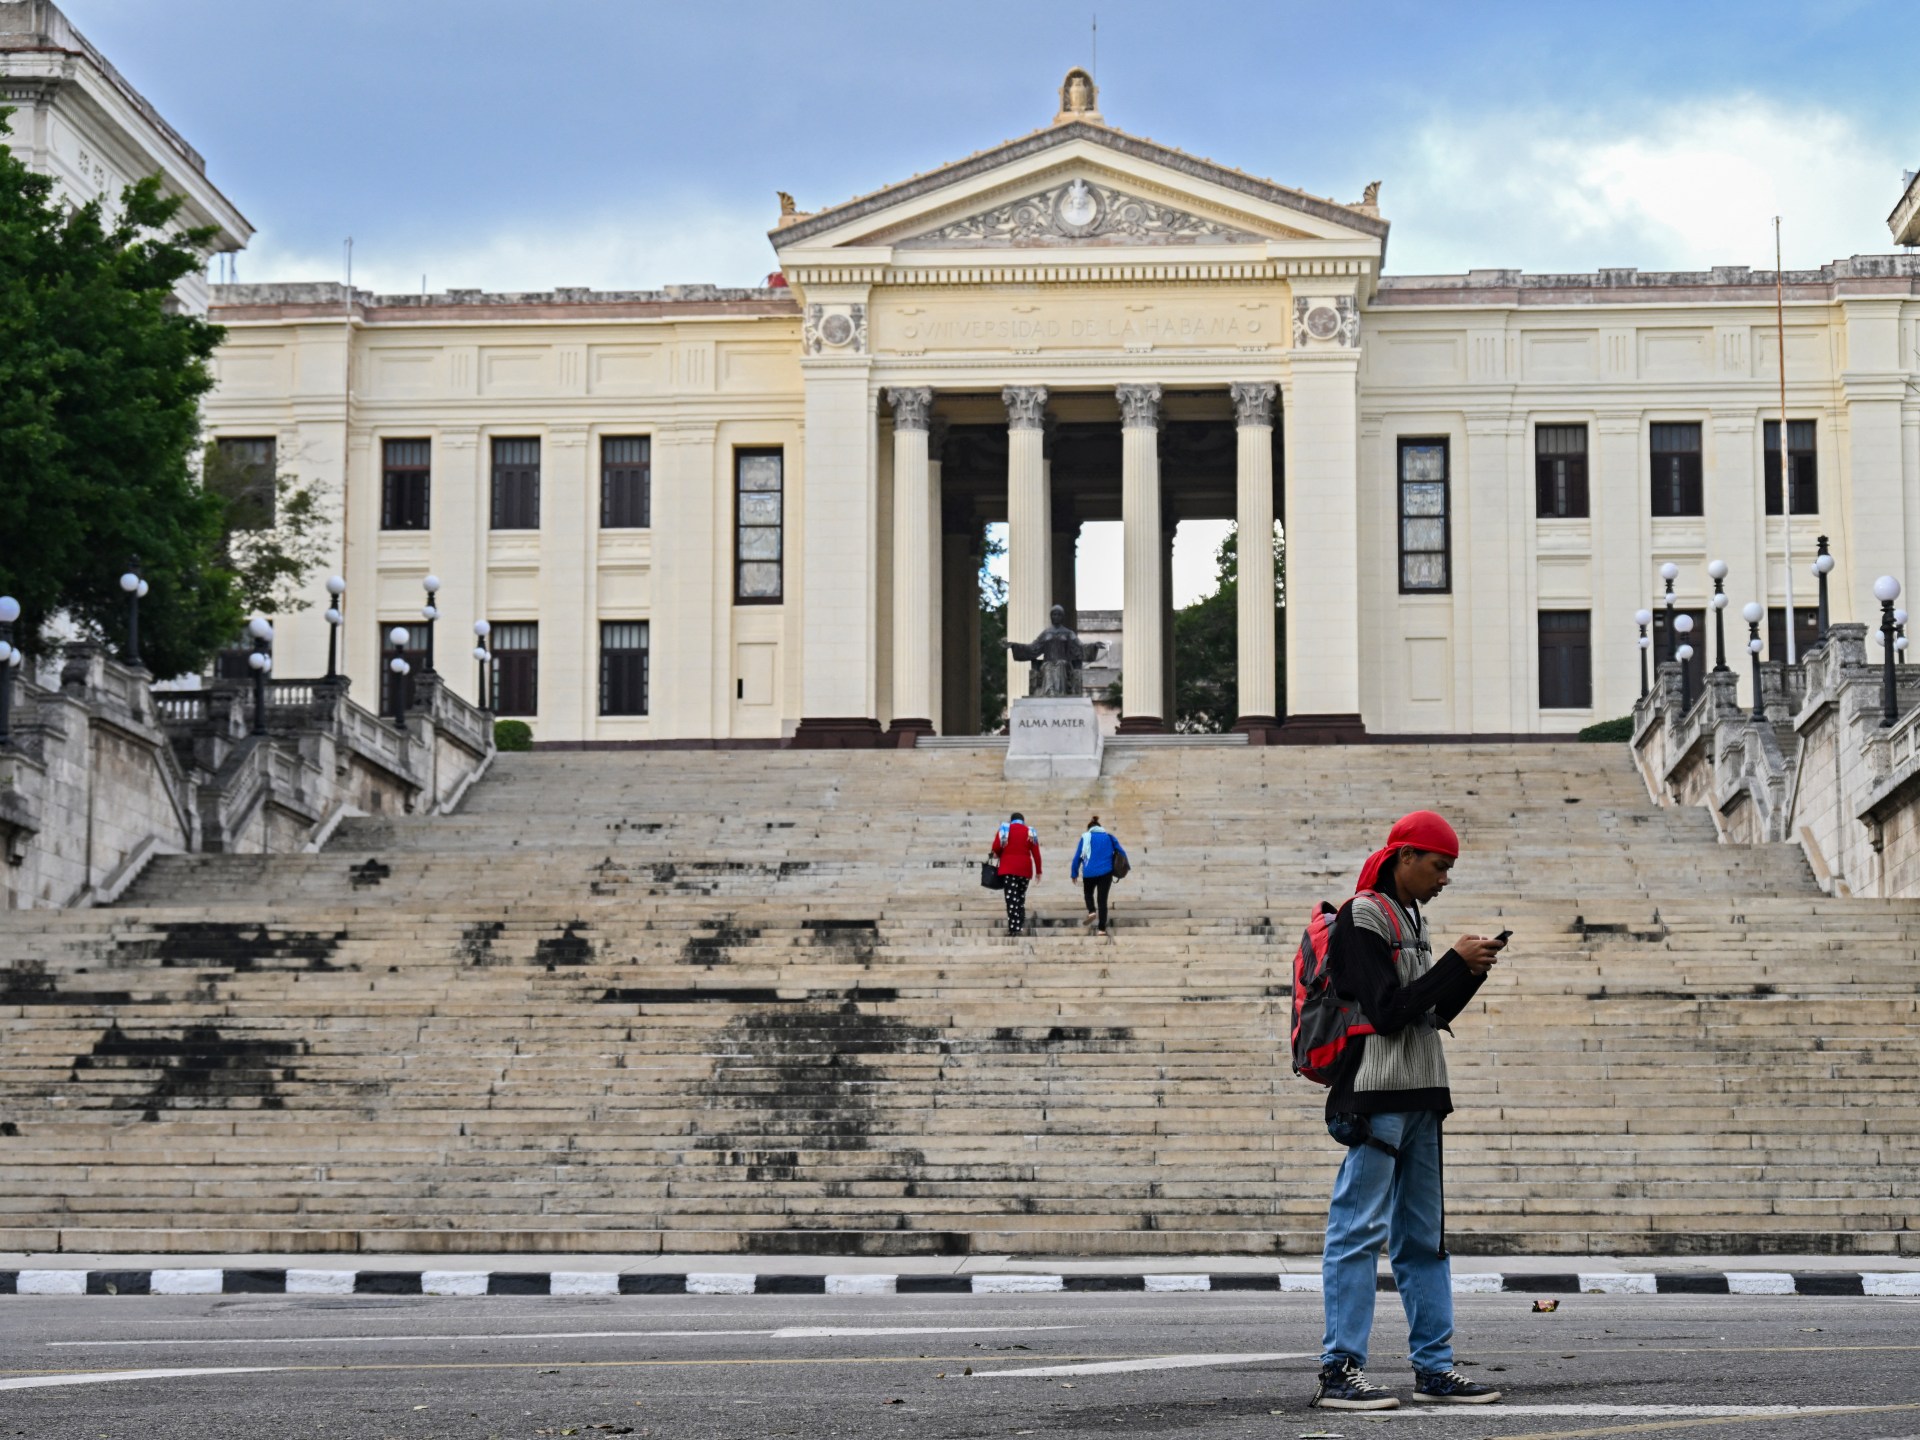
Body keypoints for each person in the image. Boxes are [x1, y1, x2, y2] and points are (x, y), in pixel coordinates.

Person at [1311, 810, 1507, 1412]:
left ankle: (1434, 1369)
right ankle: (1340, 1370)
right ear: (1405, 856)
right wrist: (1450, 962)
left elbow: (1428, 1015)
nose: (1444, 879)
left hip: (1423, 1094)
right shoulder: (1362, 915)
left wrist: (1468, 973)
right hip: (1377, 1097)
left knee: (1424, 1239)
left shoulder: (1411, 918)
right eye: (1438, 866)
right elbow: (1387, 1010)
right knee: (1357, 1232)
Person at [1069, 815, 1127, 937]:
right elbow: (1122, 852)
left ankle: (1091, 911)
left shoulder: (1085, 838)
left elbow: (1077, 856)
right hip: (1106, 873)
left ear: (1089, 829)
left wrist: (1074, 873)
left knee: (1088, 894)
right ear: (1100, 828)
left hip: (1089, 872)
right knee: (1102, 901)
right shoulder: (1109, 837)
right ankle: (1101, 929)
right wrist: (1124, 867)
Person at [989, 812, 1042, 937]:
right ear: (1023, 821)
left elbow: (996, 848)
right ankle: (1019, 922)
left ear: (1011, 820)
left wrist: (998, 853)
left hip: (1009, 869)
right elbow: (1036, 853)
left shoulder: (1004, 829)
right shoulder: (1030, 832)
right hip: (1025, 870)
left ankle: (1015, 928)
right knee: (1020, 897)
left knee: (1012, 899)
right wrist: (1039, 871)